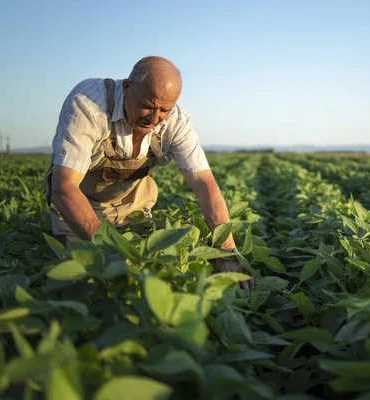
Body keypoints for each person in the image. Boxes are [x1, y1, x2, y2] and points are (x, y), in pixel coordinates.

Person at [44, 56, 252, 291]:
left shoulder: (177, 121)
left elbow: (204, 184)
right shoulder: (88, 104)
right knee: (94, 279)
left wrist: (225, 253)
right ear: (127, 88)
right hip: (80, 208)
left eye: (164, 109)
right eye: (148, 105)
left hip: (133, 206)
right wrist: (115, 253)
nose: (154, 118)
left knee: (160, 274)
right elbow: (64, 189)